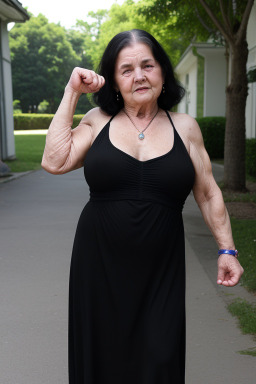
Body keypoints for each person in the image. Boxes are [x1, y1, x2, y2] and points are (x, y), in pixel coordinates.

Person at [41, 29, 244, 384]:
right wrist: (72, 91)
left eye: (148, 65)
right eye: (127, 69)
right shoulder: (97, 121)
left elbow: (209, 193)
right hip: (98, 266)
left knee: (159, 358)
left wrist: (227, 248)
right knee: (102, 360)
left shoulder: (185, 127)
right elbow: (55, 160)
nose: (139, 76)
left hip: (160, 271)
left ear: (162, 71)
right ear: (114, 81)